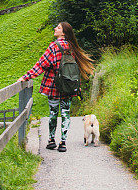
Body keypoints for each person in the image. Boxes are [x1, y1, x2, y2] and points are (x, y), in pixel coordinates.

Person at [19, 22, 94, 152]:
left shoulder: (54, 47)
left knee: (53, 113)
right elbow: (75, 71)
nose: (55, 28)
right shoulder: (73, 48)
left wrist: (26, 77)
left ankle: (51, 140)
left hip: (54, 86)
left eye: (58, 27)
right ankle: (63, 143)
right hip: (69, 86)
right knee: (66, 114)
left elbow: (41, 65)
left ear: (64, 32)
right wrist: (78, 86)